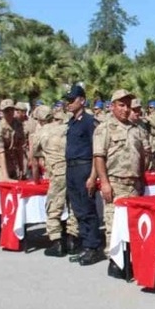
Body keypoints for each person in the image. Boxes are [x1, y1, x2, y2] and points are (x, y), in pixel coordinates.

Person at [93, 89, 151, 278]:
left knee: (131, 224)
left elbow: (142, 155)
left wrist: (142, 178)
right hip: (115, 182)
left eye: (127, 105)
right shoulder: (105, 128)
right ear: (112, 106)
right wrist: (104, 183)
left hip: (133, 184)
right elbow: (99, 157)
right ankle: (115, 262)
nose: (125, 109)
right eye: (121, 105)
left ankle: (129, 260)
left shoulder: (136, 129)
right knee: (113, 223)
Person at [31, 104, 79, 257]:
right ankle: (72, 239)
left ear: (39, 119)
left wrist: (36, 179)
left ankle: (57, 242)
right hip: (72, 170)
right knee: (73, 205)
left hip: (56, 173)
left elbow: (34, 159)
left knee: (53, 207)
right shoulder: (64, 128)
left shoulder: (39, 133)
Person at [64, 85, 105, 265]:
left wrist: (92, 176)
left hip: (84, 168)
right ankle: (86, 245)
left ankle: (94, 247)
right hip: (71, 168)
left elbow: (97, 151)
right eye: (67, 100)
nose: (69, 104)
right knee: (78, 209)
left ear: (82, 100)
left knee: (88, 209)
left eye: (72, 100)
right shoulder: (72, 122)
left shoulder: (89, 122)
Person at [0, 99, 26, 182]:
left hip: (12, 160)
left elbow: (19, 147)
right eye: (6, 111)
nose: (10, 112)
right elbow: (0, 154)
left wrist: (21, 167)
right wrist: (5, 177)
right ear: (2, 112)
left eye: (11, 110)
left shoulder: (18, 124)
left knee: (17, 184)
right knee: (3, 186)